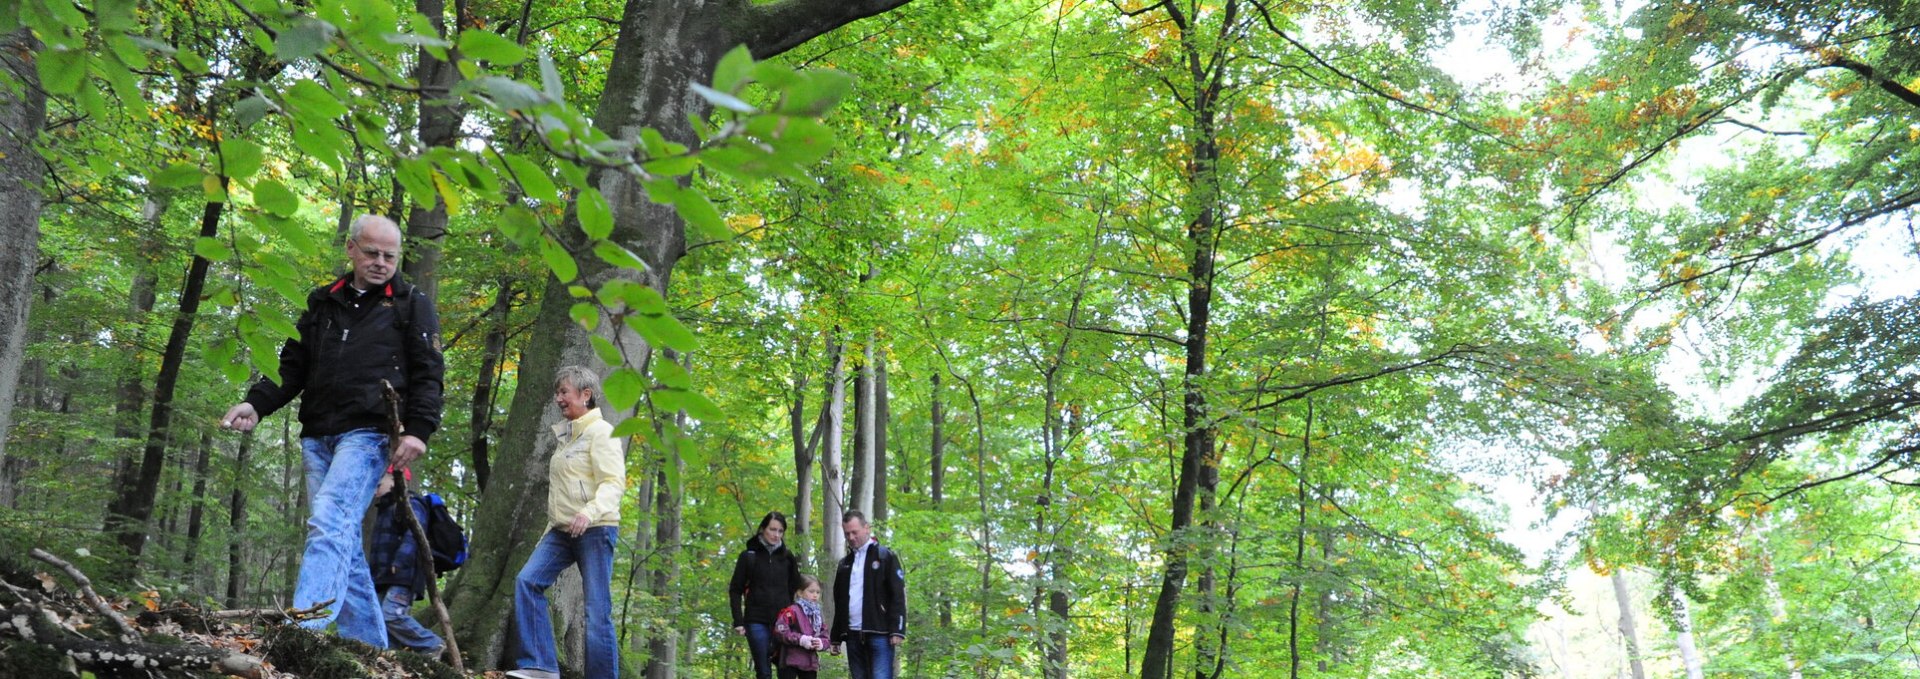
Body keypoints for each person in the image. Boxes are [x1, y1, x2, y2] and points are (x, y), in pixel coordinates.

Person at [221, 214, 444, 647]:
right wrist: (256, 403)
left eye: (390, 256)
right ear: (351, 249)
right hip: (317, 433)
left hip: (370, 432)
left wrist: (418, 430)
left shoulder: (411, 303)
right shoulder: (322, 302)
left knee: (328, 521)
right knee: (341, 538)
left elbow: (430, 373)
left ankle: (302, 634)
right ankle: (371, 648)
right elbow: (292, 366)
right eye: (372, 252)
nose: (381, 262)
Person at [506, 366, 626, 679]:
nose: (559, 398)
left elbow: (613, 483)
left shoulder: (601, 432)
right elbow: (561, 498)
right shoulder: (567, 437)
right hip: (561, 531)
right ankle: (541, 666)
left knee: (597, 611)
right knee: (527, 581)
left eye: (565, 392)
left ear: (585, 395)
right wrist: (547, 535)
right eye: (557, 392)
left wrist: (590, 512)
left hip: (596, 529)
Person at [368, 469, 445, 657]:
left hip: (404, 575)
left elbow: (415, 535)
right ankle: (395, 659)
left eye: (379, 484)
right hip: (383, 576)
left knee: (392, 615)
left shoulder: (410, 504)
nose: (375, 490)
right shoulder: (385, 509)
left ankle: (432, 644)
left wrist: (401, 560)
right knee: (380, 620)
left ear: (396, 480)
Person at [830, 510, 906, 679]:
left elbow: (897, 595)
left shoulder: (885, 556)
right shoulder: (845, 564)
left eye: (854, 532)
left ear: (866, 528)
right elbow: (840, 601)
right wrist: (836, 637)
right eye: (847, 533)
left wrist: (898, 629)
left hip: (880, 632)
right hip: (852, 634)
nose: (850, 537)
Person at [730, 511, 802, 679]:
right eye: (772, 529)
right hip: (756, 621)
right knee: (763, 671)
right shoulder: (748, 556)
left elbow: (796, 588)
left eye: (780, 531)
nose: (776, 535)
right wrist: (738, 621)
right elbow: (735, 589)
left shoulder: (787, 557)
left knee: (787, 671)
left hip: (784, 622)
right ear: (763, 529)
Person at [772, 575, 831, 679]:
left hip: (810, 663)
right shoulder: (792, 611)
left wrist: (821, 643)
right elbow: (780, 630)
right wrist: (801, 639)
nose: (815, 595)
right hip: (790, 661)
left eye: (818, 592)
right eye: (811, 591)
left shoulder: (817, 615)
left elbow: (825, 635)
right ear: (800, 592)